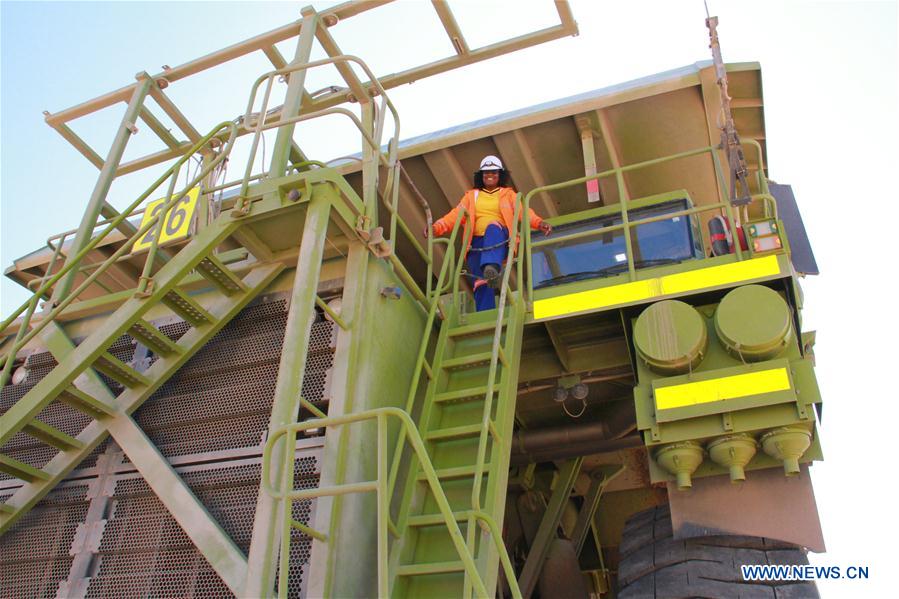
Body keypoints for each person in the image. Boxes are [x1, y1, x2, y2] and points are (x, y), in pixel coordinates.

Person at [425, 155, 552, 311]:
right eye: (486, 173)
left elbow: (524, 213)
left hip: (500, 239)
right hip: (476, 243)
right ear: (481, 176)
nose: (490, 175)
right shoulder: (471, 196)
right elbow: (454, 215)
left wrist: (539, 223)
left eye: (494, 172)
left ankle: (491, 266)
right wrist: (436, 228)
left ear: (500, 175)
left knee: (492, 227)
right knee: (480, 282)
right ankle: (485, 313)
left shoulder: (509, 195)